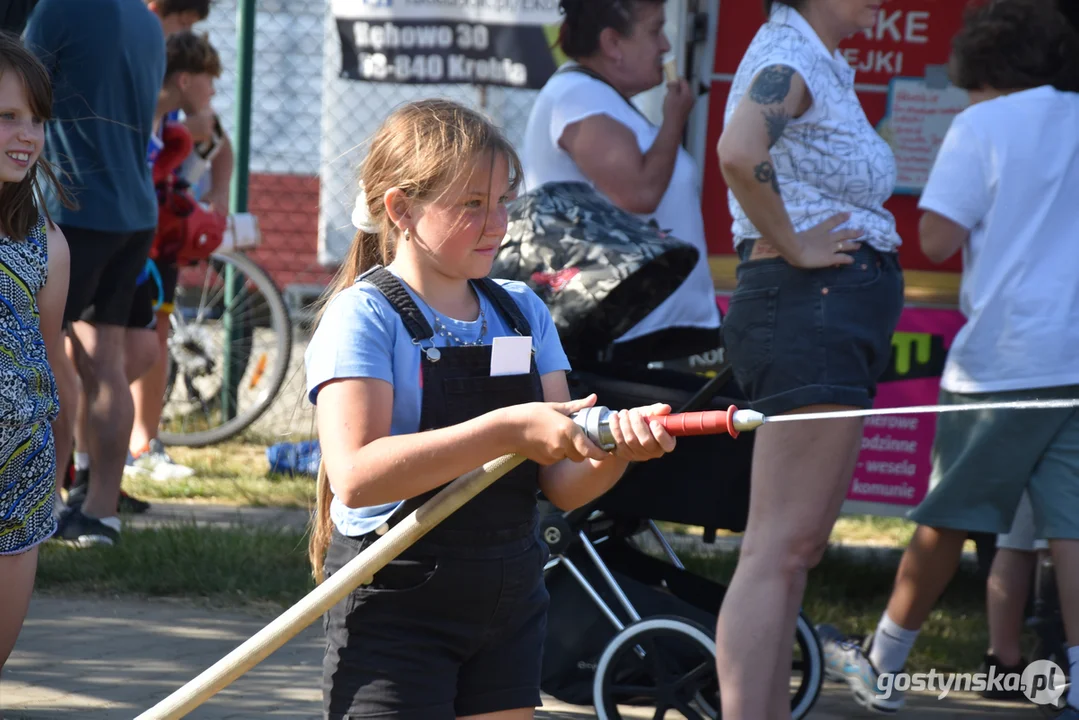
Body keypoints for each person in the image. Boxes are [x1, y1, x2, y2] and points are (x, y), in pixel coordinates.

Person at [305, 98, 676, 719]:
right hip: (398, 608)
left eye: (503, 200)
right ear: (401, 209)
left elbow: (561, 483)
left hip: (508, 603)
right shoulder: (364, 316)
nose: (497, 222)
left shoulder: (522, 310)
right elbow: (358, 475)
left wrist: (616, 453)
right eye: (471, 204)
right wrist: (508, 427)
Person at [817, 1, 1079, 715]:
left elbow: (934, 238)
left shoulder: (979, 126)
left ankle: (884, 661)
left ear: (983, 65)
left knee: (947, 515)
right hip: (1072, 357)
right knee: (1070, 526)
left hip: (1000, 358)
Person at [712, 0, 905, 716]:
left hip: (822, 308)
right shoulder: (788, 57)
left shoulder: (810, 57)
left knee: (794, 550)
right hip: (808, 304)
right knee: (777, 549)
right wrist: (794, 244)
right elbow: (737, 150)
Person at [25, 0, 166, 547]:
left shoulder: (59, 10)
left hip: (73, 212)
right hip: (133, 211)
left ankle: (43, 506)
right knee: (103, 361)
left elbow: (18, 87)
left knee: (48, 353)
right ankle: (101, 512)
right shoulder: (146, 19)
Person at [64, 31, 222, 504]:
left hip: (138, 250)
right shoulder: (138, 110)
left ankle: (93, 475)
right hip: (104, 243)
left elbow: (178, 176)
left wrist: (201, 149)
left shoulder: (171, 121)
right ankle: (80, 475)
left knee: (139, 354)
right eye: (210, 83)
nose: (214, 94)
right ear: (187, 78)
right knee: (95, 363)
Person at [521, 0, 720, 364]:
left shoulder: (603, 98)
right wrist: (674, 119)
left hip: (661, 328)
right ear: (612, 44)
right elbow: (640, 192)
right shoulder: (577, 95)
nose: (665, 46)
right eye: (654, 31)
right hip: (629, 335)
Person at [0, 30, 72, 674]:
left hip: (16, 478)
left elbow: (47, 363)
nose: (27, 134)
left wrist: (60, 464)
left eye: (37, 119)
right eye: (6, 117)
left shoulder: (46, 244)